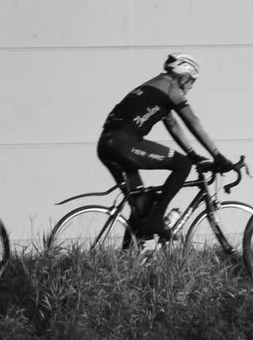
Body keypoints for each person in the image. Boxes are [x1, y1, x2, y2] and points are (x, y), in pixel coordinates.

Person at [98, 53, 235, 246]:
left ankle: (127, 257)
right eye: (192, 82)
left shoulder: (153, 86)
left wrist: (194, 154)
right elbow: (193, 123)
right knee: (182, 165)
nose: (190, 88)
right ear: (184, 77)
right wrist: (218, 156)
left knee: (141, 205)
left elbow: (173, 125)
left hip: (106, 144)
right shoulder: (172, 88)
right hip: (124, 143)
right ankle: (157, 219)